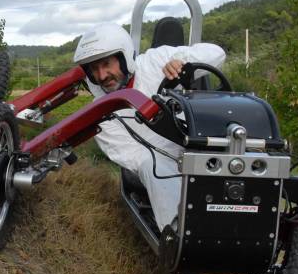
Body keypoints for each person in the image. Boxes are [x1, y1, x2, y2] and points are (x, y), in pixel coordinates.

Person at [73, 22, 226, 232]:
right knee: (151, 165)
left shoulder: (155, 61)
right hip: (159, 162)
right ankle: (179, 232)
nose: (101, 75)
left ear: (124, 58)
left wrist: (182, 64)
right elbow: (136, 158)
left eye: (107, 64)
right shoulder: (102, 114)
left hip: (194, 142)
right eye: (94, 69)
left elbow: (217, 53)